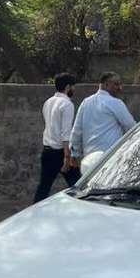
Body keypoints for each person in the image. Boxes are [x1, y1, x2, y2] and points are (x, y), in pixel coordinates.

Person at [32, 72, 81, 203]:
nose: (74, 89)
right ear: (68, 87)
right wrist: (67, 158)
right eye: (73, 87)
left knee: (43, 187)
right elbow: (65, 134)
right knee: (78, 186)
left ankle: (34, 215)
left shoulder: (48, 102)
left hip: (47, 150)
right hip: (60, 152)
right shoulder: (67, 104)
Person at [69, 71, 136, 166]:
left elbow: (77, 131)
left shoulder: (86, 102)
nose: (120, 88)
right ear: (106, 84)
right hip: (110, 158)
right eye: (116, 84)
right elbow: (131, 126)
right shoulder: (116, 103)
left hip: (89, 159)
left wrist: (74, 153)